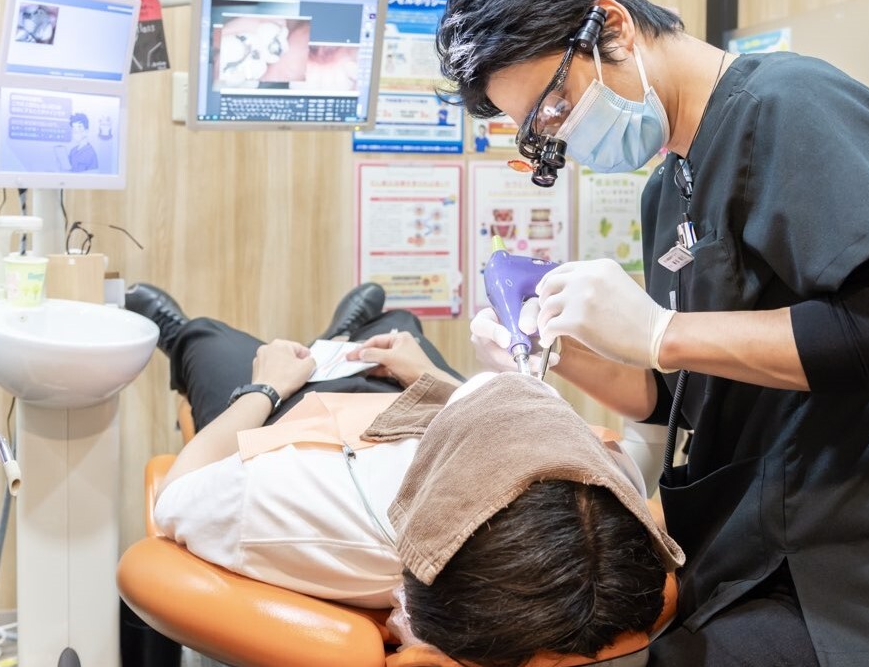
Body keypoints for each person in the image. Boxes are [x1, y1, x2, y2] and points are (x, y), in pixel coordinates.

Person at [437, 0, 869, 667]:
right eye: (540, 130)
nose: (560, 133)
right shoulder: (669, 188)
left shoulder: (791, 104)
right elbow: (679, 396)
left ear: (612, 26)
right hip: (742, 548)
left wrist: (662, 330)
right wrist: (560, 350)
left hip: (858, 574)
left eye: (554, 105)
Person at [122, 281, 684, 667]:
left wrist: (265, 387)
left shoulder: (301, 508)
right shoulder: (606, 488)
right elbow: (520, 419)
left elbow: (175, 494)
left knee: (212, 342)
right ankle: (348, 334)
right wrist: (431, 378)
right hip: (429, 405)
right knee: (399, 327)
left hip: (297, 420)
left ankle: (182, 335)